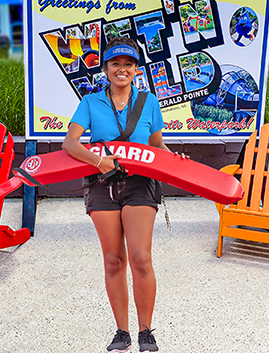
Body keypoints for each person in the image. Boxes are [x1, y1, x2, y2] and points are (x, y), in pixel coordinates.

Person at [63, 37, 185, 353]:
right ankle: (122, 332)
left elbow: (157, 146)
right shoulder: (91, 102)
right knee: (114, 260)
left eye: (128, 64)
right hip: (101, 183)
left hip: (140, 183)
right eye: (116, 63)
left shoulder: (149, 102)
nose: (122, 69)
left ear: (135, 69)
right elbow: (70, 144)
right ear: (106, 69)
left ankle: (146, 332)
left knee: (141, 258)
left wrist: (175, 160)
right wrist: (98, 161)